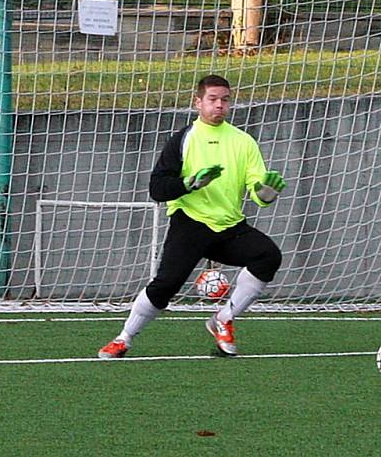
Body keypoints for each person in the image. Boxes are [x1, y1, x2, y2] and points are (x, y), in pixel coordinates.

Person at [98, 74, 288, 358]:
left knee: (268, 256)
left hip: (229, 226)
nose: (219, 105)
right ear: (198, 102)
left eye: (225, 99)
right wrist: (189, 184)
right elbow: (157, 188)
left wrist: (267, 193)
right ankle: (124, 338)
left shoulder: (243, 142)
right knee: (166, 285)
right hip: (190, 224)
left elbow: (259, 194)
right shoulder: (184, 139)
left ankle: (223, 319)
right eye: (212, 99)